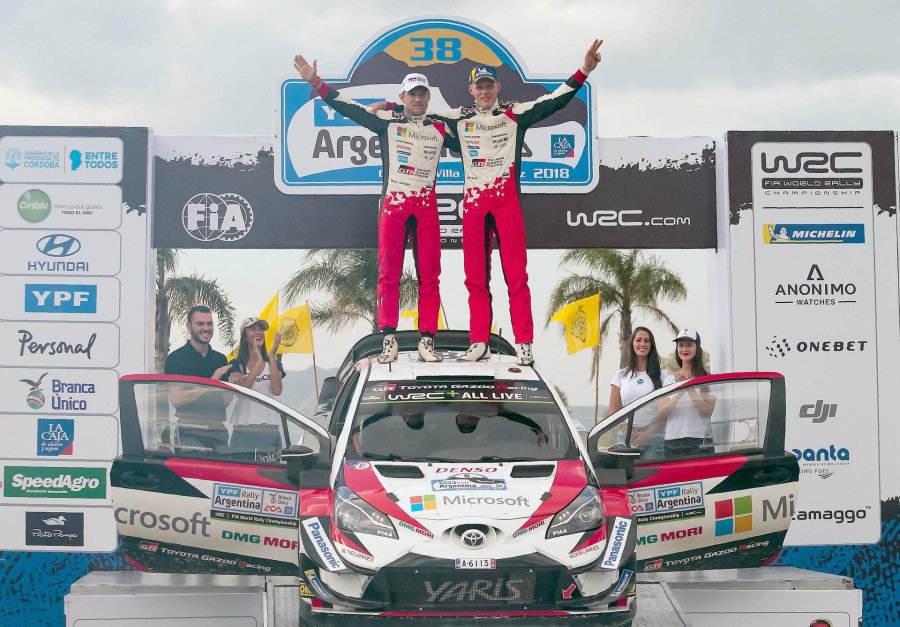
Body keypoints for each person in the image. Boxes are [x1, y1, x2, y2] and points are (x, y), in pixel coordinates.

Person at [379, 40, 603, 366]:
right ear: (471, 89)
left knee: (516, 275)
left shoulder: (513, 114)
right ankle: (479, 341)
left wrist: (583, 71)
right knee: (475, 278)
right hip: (473, 205)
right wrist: (389, 105)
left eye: (489, 86)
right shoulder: (457, 117)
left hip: (506, 203)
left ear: (497, 87)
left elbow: (553, 101)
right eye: (479, 86)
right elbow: (419, 112)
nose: (484, 92)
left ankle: (524, 343)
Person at [294, 53, 461, 364]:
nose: (418, 99)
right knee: (389, 274)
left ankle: (428, 339)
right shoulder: (387, 121)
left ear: (428, 98)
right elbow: (350, 108)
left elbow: (476, 133)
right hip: (394, 205)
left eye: (422, 94)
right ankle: (389, 338)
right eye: (412, 94)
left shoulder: (440, 125)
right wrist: (316, 83)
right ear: (403, 97)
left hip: (426, 206)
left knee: (430, 275)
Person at [163, 305, 232, 452]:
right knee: (192, 476)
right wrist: (212, 380)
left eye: (209, 324)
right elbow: (177, 399)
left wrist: (233, 386)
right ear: (189, 326)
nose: (206, 328)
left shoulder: (220, 359)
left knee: (223, 475)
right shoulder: (176, 359)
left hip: (218, 430)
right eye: (200, 324)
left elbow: (224, 402)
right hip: (189, 431)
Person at [655, 329, 716, 457]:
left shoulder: (707, 379)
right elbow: (662, 414)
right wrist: (680, 390)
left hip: (701, 442)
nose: (684, 349)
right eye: (681, 345)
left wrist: (688, 387)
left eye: (689, 345)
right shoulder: (669, 380)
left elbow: (707, 411)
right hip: (673, 442)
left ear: (697, 348)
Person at [610, 327, 665, 455]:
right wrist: (628, 432)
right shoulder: (620, 375)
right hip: (626, 437)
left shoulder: (663, 375)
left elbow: (665, 411)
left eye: (647, 341)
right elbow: (614, 409)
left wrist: (648, 434)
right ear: (632, 344)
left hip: (655, 436)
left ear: (651, 345)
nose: (642, 344)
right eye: (638, 340)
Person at [226, 317, 286, 424]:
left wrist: (271, 356)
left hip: (270, 425)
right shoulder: (235, 364)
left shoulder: (275, 364)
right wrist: (258, 362)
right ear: (244, 337)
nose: (258, 332)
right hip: (243, 426)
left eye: (261, 329)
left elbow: (276, 391)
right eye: (253, 329)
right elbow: (245, 392)